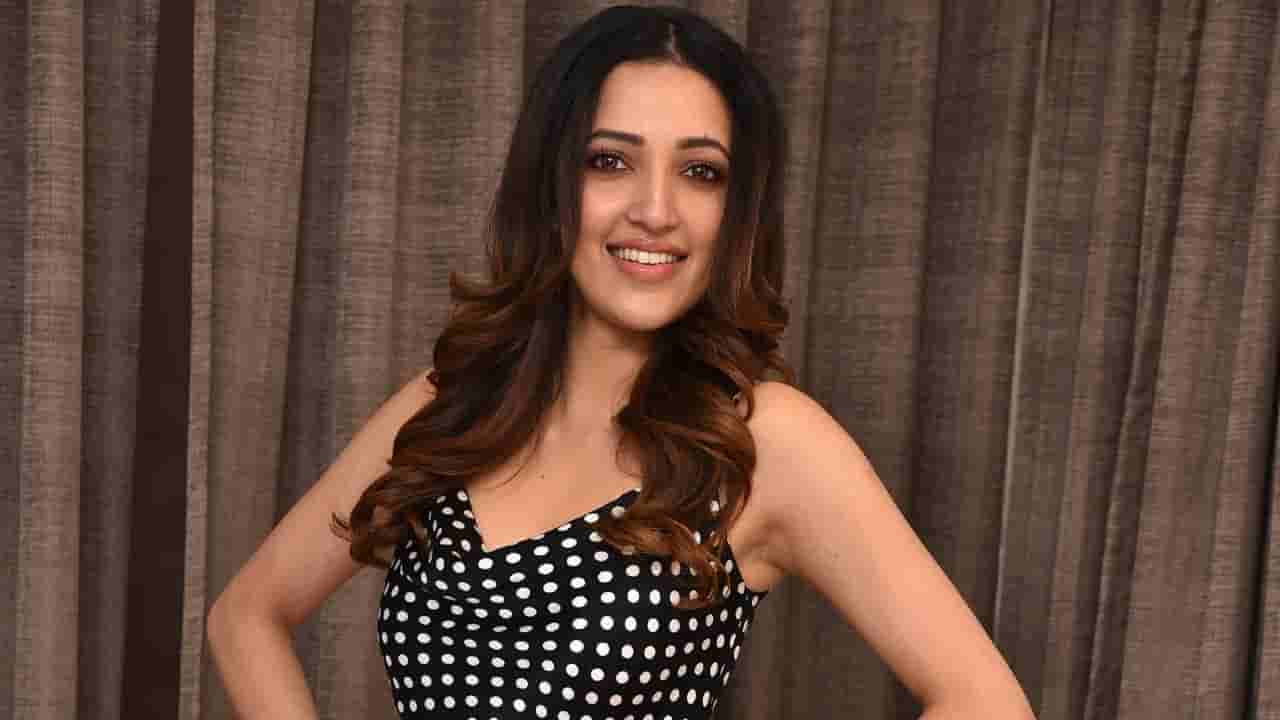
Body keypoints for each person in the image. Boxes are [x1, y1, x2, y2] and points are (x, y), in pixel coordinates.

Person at [209, 5, 1036, 720]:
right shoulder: (450, 403)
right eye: (610, 161)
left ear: (735, 212)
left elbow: (986, 701)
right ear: (552, 185)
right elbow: (245, 617)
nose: (655, 210)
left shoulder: (764, 441)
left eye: (701, 173)